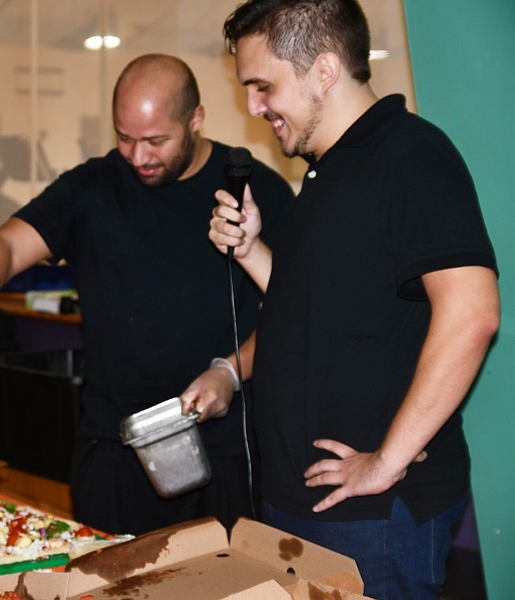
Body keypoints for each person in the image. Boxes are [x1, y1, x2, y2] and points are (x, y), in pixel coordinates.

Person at [0, 53, 295, 536]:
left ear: (196, 119)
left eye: (156, 141)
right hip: (112, 452)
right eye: (125, 138)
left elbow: (294, 314)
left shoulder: (251, 189)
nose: (138, 157)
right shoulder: (91, 188)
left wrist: (231, 371)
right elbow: (6, 247)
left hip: (223, 454)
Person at [206, 1, 499, 597]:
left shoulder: (412, 155)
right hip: (304, 505)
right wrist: (253, 251)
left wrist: (388, 460)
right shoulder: (326, 173)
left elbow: (472, 313)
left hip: (372, 516)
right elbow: (314, 308)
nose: (254, 107)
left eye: (263, 86)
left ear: (324, 70)